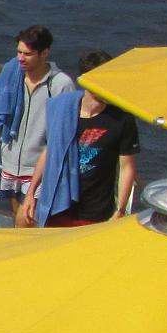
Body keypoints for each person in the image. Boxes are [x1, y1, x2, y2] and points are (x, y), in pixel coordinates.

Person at [0, 24, 76, 226]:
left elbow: (65, 133)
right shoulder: (11, 77)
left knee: (25, 219)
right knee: (17, 216)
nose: (20, 58)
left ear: (44, 53)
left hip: (41, 167)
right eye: (19, 52)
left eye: (27, 54)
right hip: (11, 163)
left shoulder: (60, 85)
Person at [29, 50, 141, 227]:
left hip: (96, 212)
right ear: (85, 81)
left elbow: (127, 167)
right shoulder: (63, 111)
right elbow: (50, 150)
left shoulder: (122, 120)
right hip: (58, 206)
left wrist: (120, 210)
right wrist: (31, 193)